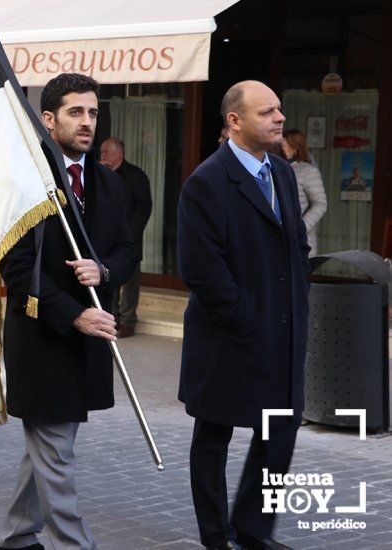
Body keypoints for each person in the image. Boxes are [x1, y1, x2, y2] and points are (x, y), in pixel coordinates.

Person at [0, 73, 137, 549]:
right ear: (48, 118)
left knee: (50, 444)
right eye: (76, 112)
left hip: (89, 338)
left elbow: (126, 249)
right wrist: (73, 314)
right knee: (55, 448)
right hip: (42, 337)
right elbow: (15, 268)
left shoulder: (108, 182)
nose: (87, 122)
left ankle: (17, 534)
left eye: (93, 112)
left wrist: (104, 270)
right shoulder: (25, 180)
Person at [177, 80, 310, 550]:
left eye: (280, 109)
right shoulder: (206, 183)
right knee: (214, 434)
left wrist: (295, 301)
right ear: (234, 121)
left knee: (280, 430)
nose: (279, 118)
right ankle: (217, 537)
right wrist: (245, 315)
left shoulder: (281, 170)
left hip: (283, 333)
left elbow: (296, 239)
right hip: (228, 337)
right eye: (267, 112)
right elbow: (200, 269)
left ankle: (253, 529)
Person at [100, 137, 152, 338]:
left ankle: (128, 320)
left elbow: (144, 208)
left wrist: (130, 233)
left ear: (118, 153)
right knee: (109, 277)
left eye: (106, 152)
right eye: (102, 152)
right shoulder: (100, 174)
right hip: (106, 238)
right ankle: (111, 318)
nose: (102, 155)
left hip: (129, 238)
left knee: (130, 281)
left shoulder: (135, 175)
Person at [281, 129, 327, 257]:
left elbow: (320, 204)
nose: (280, 150)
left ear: (295, 147)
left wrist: (300, 227)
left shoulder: (308, 171)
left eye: (282, 146)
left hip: (302, 244)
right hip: (280, 242)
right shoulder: (278, 168)